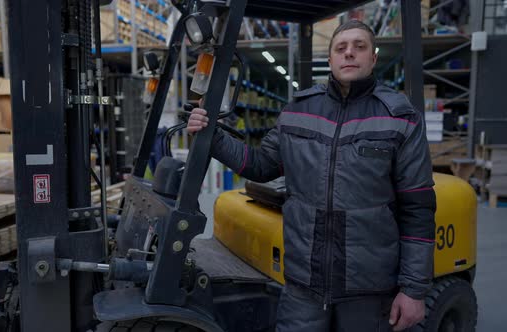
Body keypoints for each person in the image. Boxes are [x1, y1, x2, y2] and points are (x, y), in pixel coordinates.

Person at [187, 20, 436, 332]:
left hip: (369, 288)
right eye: (341, 48)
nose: (349, 54)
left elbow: (418, 210)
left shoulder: (399, 118)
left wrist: (413, 290)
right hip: (303, 283)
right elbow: (261, 164)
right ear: (330, 59)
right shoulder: (299, 110)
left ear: (373, 58)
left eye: (359, 47)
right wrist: (211, 135)